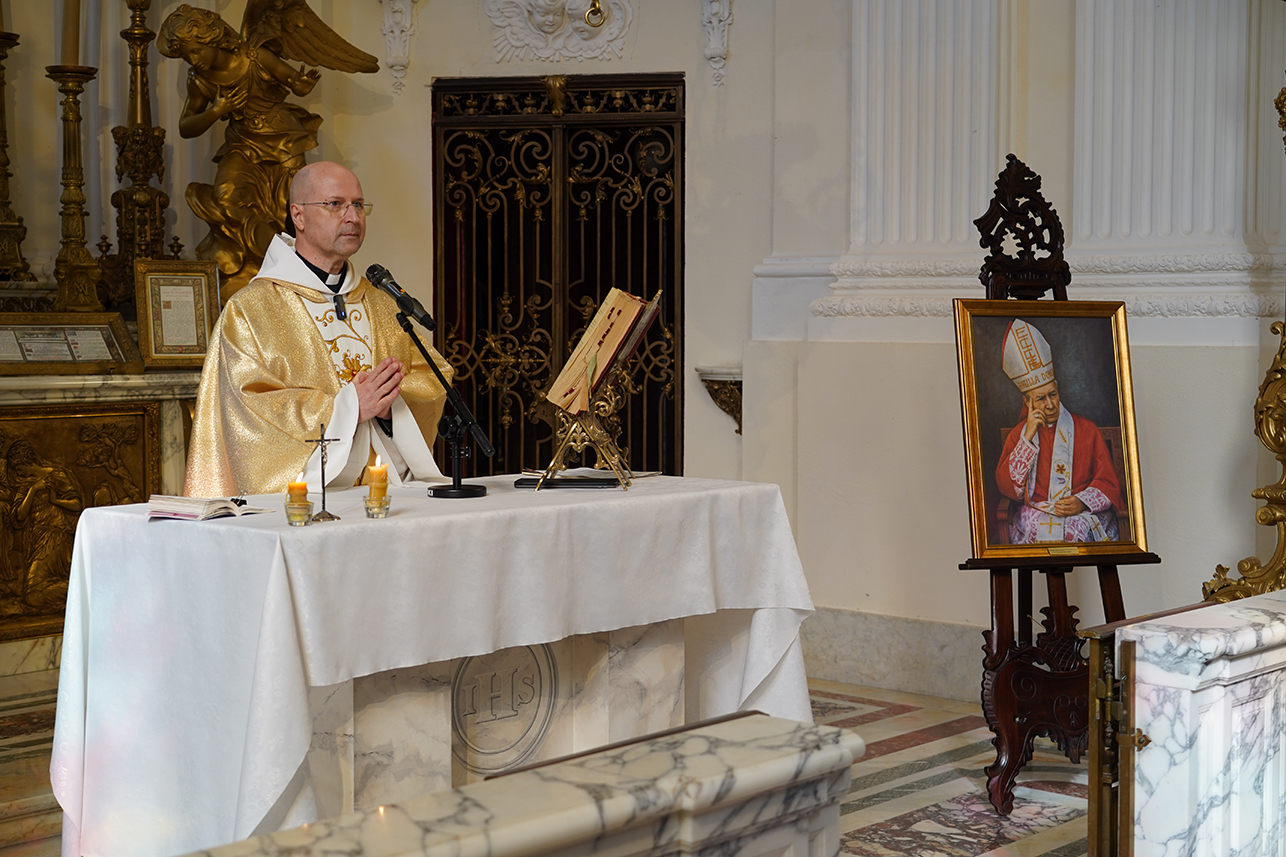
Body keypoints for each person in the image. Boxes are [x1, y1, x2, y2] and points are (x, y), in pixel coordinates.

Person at [184, 161, 454, 497]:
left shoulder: (381, 303)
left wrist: (390, 406)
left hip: (386, 492)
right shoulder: (251, 309)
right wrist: (350, 408)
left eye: (358, 205)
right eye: (335, 204)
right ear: (298, 216)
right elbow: (247, 408)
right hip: (305, 500)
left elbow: (432, 376)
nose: (352, 217)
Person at [995, 319, 1122, 544]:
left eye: (1052, 395)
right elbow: (1011, 490)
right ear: (1027, 402)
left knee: (1075, 531)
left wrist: (1081, 502)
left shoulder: (1087, 430)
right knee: (1037, 530)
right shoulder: (1019, 435)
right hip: (1038, 509)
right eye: (1040, 399)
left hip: (1081, 511)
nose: (1050, 405)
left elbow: (1108, 482)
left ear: (1058, 390)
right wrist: (1028, 437)